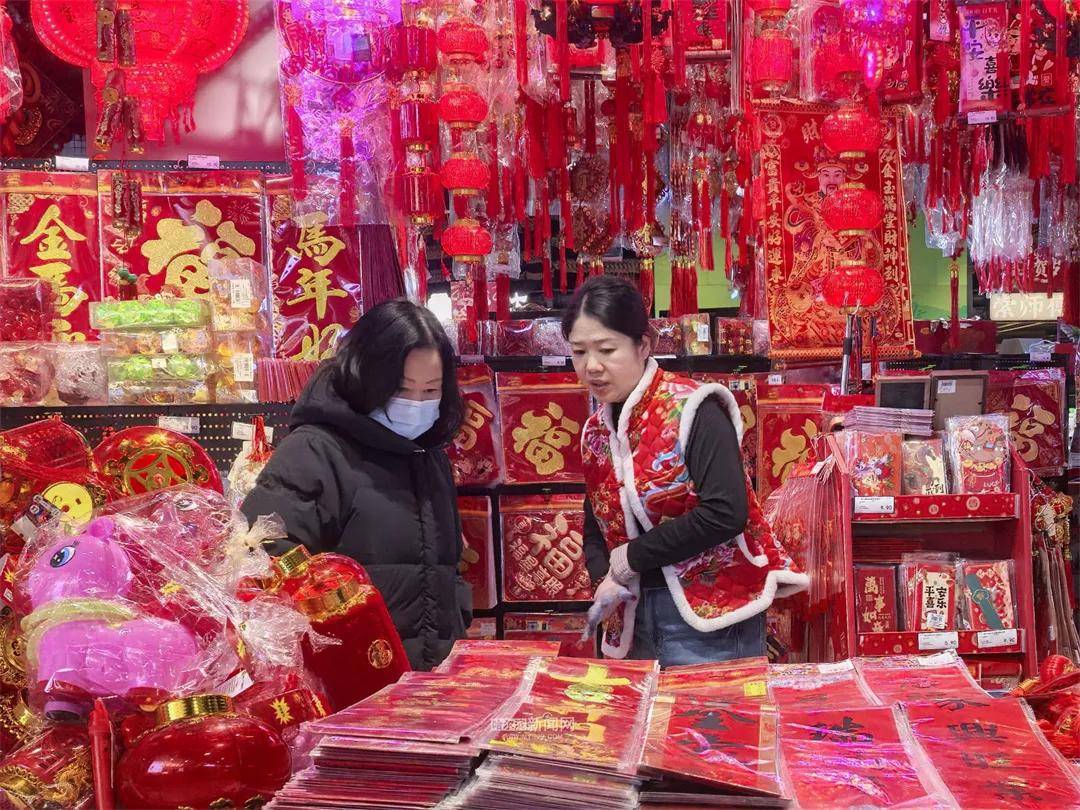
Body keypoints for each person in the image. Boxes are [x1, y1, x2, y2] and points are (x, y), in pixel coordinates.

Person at [567, 276, 807, 666]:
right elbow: (596, 521)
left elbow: (725, 512)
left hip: (712, 620)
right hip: (632, 614)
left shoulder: (693, 408)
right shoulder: (596, 431)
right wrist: (603, 579)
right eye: (579, 352)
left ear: (643, 345)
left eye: (607, 349)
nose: (592, 366)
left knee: (709, 708)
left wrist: (630, 559)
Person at [241, 300, 471, 671]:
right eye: (402, 389)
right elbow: (263, 555)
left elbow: (442, 565)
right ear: (367, 378)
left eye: (431, 391)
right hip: (351, 677)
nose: (416, 405)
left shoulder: (427, 453)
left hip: (427, 679)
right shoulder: (315, 451)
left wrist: (457, 614)